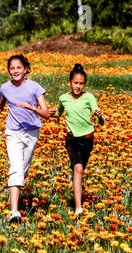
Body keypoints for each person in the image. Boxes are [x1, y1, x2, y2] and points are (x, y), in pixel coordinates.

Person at [0, 54, 56, 222]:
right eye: (12, 68)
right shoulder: (5, 88)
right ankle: (14, 212)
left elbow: (46, 114)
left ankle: (17, 201)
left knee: (23, 171)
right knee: (16, 168)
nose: (15, 71)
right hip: (13, 132)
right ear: (8, 70)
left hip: (31, 133)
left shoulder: (35, 87)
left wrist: (31, 107)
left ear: (26, 69)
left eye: (19, 68)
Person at [56, 63, 104, 214]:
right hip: (72, 140)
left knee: (80, 170)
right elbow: (57, 113)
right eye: (75, 83)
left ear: (85, 84)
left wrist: (100, 117)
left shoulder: (89, 97)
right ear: (69, 82)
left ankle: (77, 199)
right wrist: (38, 111)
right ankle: (78, 207)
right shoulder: (63, 98)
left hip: (88, 139)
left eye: (81, 83)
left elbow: (100, 122)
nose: (78, 86)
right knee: (78, 168)